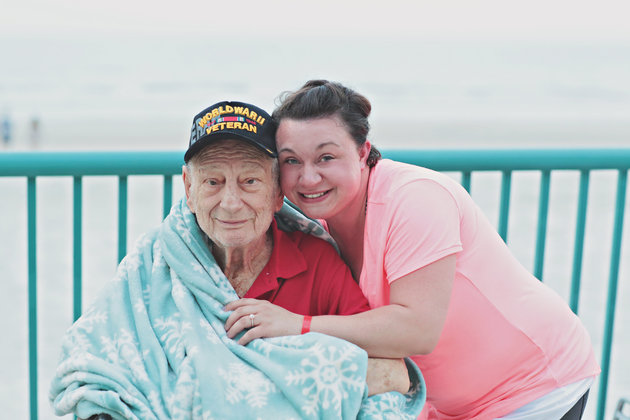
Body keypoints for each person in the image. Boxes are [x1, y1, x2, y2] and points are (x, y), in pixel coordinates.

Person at [224, 81, 601, 420]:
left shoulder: (415, 198)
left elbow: (416, 330)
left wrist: (296, 325)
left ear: (362, 152)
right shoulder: (313, 220)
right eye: (292, 161)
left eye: (326, 157)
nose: (308, 178)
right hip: (444, 405)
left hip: (534, 389)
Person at [50, 100, 425, 420]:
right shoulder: (154, 263)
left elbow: (390, 375)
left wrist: (289, 336)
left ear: (278, 194)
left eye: (249, 182)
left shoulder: (317, 262)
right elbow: (89, 368)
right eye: (213, 182)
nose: (230, 203)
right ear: (189, 189)